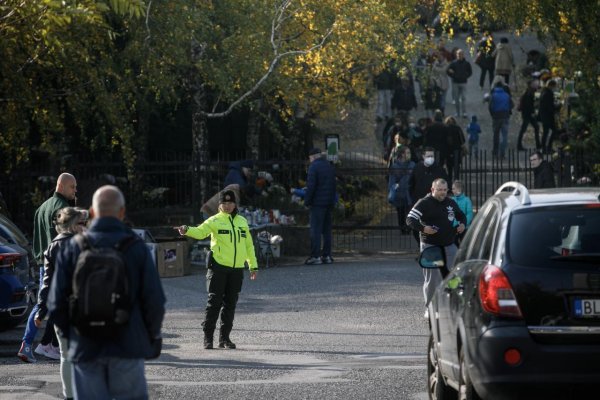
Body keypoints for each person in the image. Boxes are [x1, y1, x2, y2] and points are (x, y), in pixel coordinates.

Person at [48, 185, 166, 400]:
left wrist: (72, 336)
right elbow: (155, 300)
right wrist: (151, 336)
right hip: (127, 345)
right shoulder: (136, 247)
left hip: (86, 346)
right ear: (122, 212)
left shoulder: (74, 247)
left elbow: (55, 303)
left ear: (92, 213)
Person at [176, 189, 258, 350]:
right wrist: (187, 229)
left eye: (230, 203)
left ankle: (225, 338)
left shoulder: (242, 221)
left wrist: (253, 265)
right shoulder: (214, 220)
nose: (227, 206)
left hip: (236, 269)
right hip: (218, 267)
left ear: (235, 204)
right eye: (224, 203)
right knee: (214, 303)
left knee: (230, 304)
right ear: (219, 205)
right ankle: (208, 338)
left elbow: (248, 245)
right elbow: (200, 232)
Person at [18, 172, 77, 363]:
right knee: (44, 305)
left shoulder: (42, 208)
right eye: (72, 187)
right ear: (61, 186)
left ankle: (46, 345)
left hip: (45, 263)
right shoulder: (63, 208)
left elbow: (36, 241)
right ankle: (28, 345)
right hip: (57, 264)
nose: (75, 190)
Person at [35, 207, 88, 400]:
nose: (85, 227)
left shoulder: (52, 246)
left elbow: (47, 283)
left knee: (66, 356)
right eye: (83, 223)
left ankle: (70, 396)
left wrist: (41, 311)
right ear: (74, 225)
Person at [406, 178, 466, 309]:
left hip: (449, 244)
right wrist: (424, 228)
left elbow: (461, 216)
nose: (443, 193)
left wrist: (462, 224)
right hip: (431, 245)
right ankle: (430, 308)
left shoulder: (450, 202)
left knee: (455, 274)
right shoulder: (424, 203)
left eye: (445, 190)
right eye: (439, 190)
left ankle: (454, 306)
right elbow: (410, 219)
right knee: (432, 279)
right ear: (432, 190)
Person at [304, 148, 337, 265]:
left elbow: (311, 186)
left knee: (316, 230)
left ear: (312, 156)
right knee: (327, 230)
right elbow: (334, 185)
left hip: (317, 203)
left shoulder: (313, 167)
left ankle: (315, 256)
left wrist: (307, 201)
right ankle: (327, 255)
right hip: (328, 202)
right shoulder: (329, 166)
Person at [408, 148, 448, 244]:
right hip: (419, 202)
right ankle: (421, 246)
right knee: (417, 226)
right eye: (428, 156)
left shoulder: (439, 169)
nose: (430, 158)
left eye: (432, 156)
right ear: (423, 156)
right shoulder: (417, 168)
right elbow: (411, 184)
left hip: (435, 203)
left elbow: (446, 183)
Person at [388, 146, 415, 234]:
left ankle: (408, 228)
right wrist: (392, 191)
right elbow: (392, 181)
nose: (409, 155)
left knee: (410, 211)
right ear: (402, 154)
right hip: (400, 192)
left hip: (409, 192)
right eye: (407, 153)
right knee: (400, 212)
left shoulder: (412, 165)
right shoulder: (395, 166)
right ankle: (402, 228)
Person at [488, 76, 514, 159]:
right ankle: (502, 152)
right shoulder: (506, 95)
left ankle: (495, 151)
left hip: (496, 116)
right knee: (504, 135)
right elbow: (512, 105)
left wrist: (492, 114)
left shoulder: (493, 95)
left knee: (496, 134)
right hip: (505, 116)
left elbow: (490, 106)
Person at [446, 49, 472, 118]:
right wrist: (453, 76)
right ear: (456, 55)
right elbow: (448, 71)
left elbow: (470, 72)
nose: (459, 56)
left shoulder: (467, 63)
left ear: (463, 55)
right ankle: (457, 112)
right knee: (456, 99)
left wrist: (465, 76)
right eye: (458, 54)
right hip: (455, 83)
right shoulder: (453, 63)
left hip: (463, 82)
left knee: (463, 98)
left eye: (461, 54)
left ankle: (464, 112)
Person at [516, 83, 540, 150]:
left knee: (535, 127)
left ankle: (538, 144)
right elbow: (529, 106)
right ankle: (519, 145)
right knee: (524, 129)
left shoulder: (527, 93)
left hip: (527, 114)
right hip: (528, 115)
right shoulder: (529, 95)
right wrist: (533, 112)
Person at [443, 116, 466, 184]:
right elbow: (463, 140)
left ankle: (449, 183)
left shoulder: (445, 129)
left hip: (448, 150)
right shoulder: (457, 128)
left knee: (449, 167)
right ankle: (456, 182)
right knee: (456, 168)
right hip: (457, 150)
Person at [450, 180, 473, 246]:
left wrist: (464, 224)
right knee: (454, 244)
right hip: (454, 227)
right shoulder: (452, 200)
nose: (452, 190)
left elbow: (469, 213)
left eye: (454, 189)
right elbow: (451, 213)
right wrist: (456, 224)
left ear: (459, 189)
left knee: (465, 245)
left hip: (465, 227)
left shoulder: (467, 200)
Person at [539, 79, 558, 153]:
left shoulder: (544, 92)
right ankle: (547, 147)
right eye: (554, 86)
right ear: (551, 86)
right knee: (550, 131)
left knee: (546, 132)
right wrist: (556, 107)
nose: (554, 88)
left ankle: (545, 147)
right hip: (548, 116)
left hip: (544, 115)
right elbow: (549, 106)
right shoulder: (548, 93)